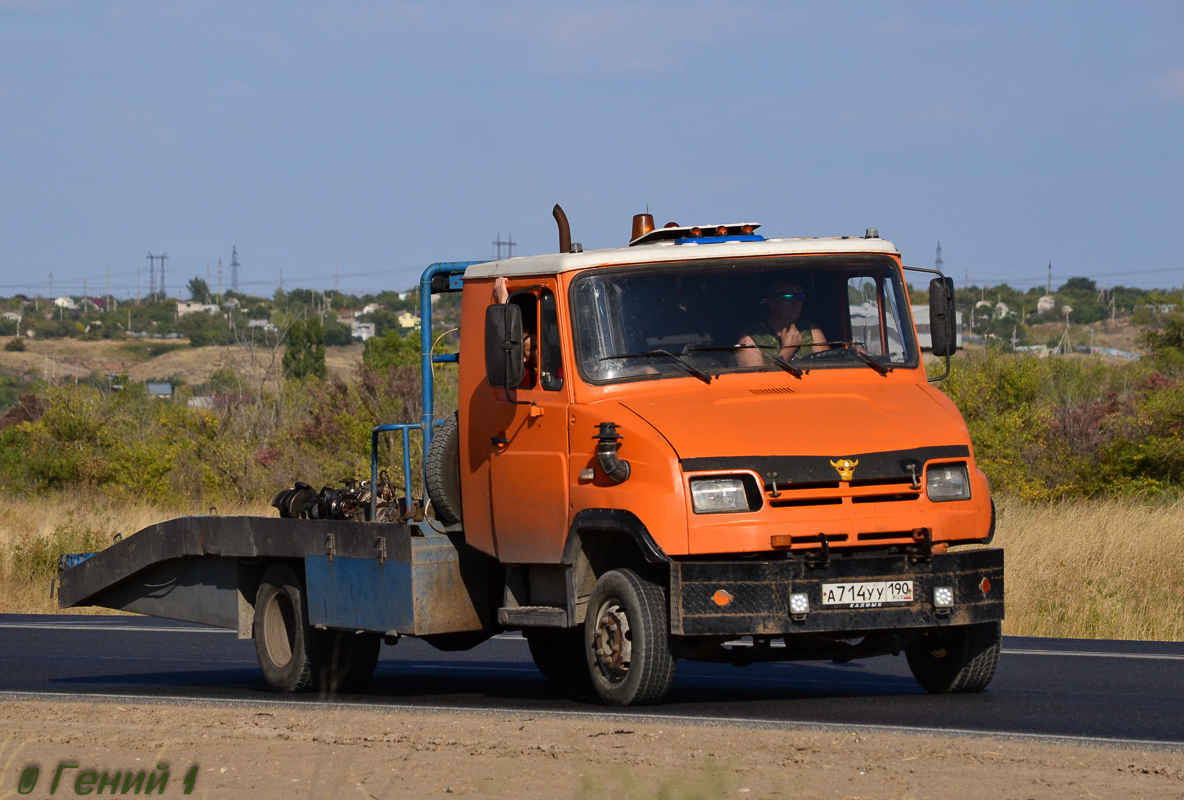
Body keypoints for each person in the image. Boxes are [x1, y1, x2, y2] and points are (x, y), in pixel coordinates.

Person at [736, 281, 828, 367]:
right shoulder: (750, 338)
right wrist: (788, 349)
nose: (796, 302)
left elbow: (828, 369)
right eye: (788, 297)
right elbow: (757, 382)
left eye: (800, 297)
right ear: (771, 302)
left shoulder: (811, 330)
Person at [492, 276, 537, 387]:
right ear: (522, 357)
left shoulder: (559, 370)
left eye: (543, 344)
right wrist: (503, 302)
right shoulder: (523, 378)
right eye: (534, 348)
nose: (544, 350)